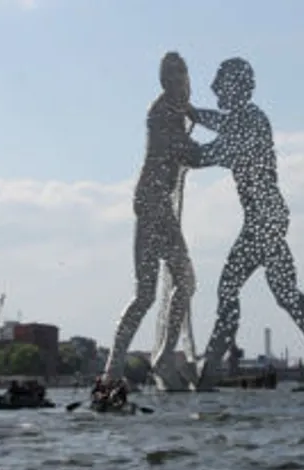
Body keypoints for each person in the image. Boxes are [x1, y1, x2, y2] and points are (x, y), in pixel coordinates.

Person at [188, 57, 304, 389]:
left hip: (264, 218)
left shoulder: (252, 122)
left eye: (220, 83)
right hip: (267, 216)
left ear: (237, 87)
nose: (213, 88)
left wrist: (182, 141)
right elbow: (220, 123)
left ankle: (210, 368)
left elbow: (208, 153)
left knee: (229, 287)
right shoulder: (244, 119)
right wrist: (192, 113)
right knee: (285, 292)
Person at [103, 51, 200, 391]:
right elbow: (188, 153)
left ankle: (137, 364)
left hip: (156, 204)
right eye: (174, 78)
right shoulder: (161, 113)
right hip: (153, 203)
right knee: (160, 288)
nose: (181, 84)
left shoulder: (175, 111)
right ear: (165, 82)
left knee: (176, 283)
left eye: (184, 77)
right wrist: (229, 146)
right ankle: (123, 367)